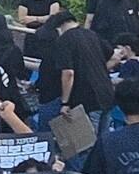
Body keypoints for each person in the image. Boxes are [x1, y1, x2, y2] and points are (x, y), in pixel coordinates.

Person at [34, 11, 115, 142]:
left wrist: (65, 102)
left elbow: (68, 73)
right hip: (107, 93)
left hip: (87, 99)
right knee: (104, 142)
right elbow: (113, 56)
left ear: (60, 27)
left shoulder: (65, 40)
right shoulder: (92, 34)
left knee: (87, 144)